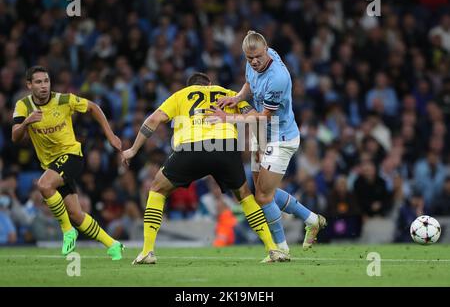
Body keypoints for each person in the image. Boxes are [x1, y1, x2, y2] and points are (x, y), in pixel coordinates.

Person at [122, 72, 289, 264]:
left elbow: (153, 120)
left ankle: (147, 252)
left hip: (191, 147)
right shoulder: (228, 93)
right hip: (226, 147)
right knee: (244, 195)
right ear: (210, 84)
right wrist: (259, 148)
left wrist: (133, 150)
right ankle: (272, 249)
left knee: (157, 188)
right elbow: (254, 118)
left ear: (189, 86)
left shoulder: (180, 95)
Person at [214, 30, 327, 257]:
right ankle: (313, 220)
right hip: (262, 134)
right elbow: (249, 82)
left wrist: (230, 119)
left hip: (281, 137)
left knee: (263, 197)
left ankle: (281, 249)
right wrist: (236, 98)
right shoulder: (255, 58)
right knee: (264, 191)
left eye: (258, 57)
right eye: (249, 58)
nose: (254, 62)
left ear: (266, 50)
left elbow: (264, 115)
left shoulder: (278, 78)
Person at [11, 66, 124, 260]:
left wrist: (110, 135)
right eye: (38, 82)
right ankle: (113, 245)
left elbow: (93, 107)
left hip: (72, 155)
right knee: (76, 214)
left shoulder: (63, 100)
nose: (44, 86)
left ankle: (67, 231)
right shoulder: (23, 106)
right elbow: (15, 136)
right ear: (29, 85)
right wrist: (26, 123)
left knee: (44, 185)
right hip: (51, 164)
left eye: (46, 81)